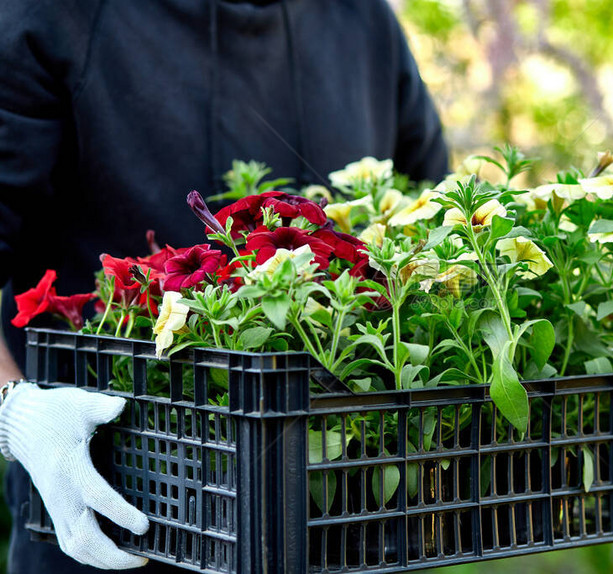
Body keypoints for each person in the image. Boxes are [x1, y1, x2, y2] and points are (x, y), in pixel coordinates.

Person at [0, 0, 448, 571]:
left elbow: (428, 225)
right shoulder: (53, 15)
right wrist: (16, 413)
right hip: (114, 521)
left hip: (345, 528)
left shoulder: (363, 20)